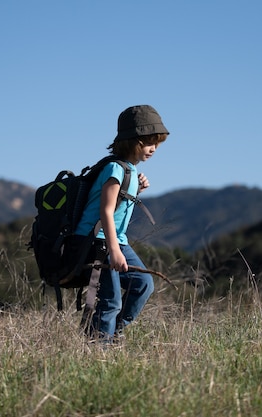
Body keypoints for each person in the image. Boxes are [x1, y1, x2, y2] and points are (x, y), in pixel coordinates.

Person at [74, 104, 170, 342]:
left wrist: (137, 190)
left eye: (157, 143)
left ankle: (110, 333)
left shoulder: (128, 171)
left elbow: (117, 207)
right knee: (111, 299)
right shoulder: (114, 169)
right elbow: (105, 211)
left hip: (115, 240)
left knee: (143, 284)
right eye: (150, 142)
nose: (154, 148)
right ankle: (100, 349)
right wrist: (114, 250)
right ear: (135, 141)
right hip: (97, 241)